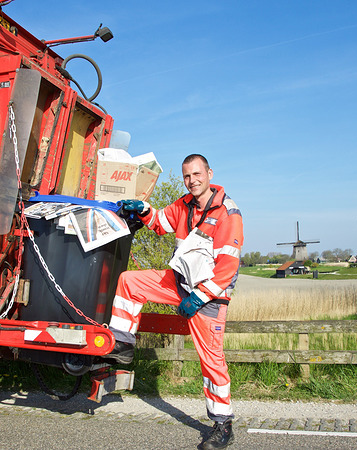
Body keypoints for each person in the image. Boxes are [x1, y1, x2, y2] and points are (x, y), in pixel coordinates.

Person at [107, 154, 243, 449]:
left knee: (212, 362)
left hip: (209, 297)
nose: (192, 181)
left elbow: (227, 269)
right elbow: (159, 222)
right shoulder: (184, 205)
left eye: (197, 174)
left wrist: (199, 297)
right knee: (129, 282)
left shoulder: (227, 213)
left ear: (209, 173)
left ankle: (223, 425)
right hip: (180, 284)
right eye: (186, 176)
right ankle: (121, 347)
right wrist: (143, 209)